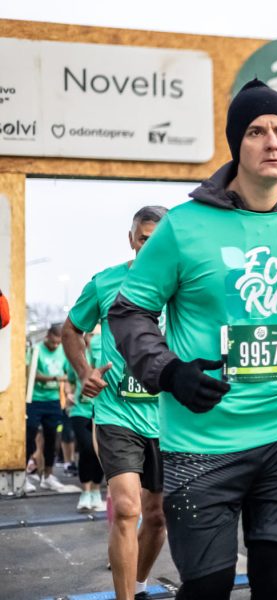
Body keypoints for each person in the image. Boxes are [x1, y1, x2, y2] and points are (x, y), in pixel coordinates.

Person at [108, 79, 277, 600]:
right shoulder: (183, 227)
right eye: (256, 131)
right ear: (235, 145)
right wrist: (170, 372)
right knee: (207, 591)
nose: (272, 141)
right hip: (204, 444)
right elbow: (130, 311)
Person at [63, 205, 169, 600]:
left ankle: (138, 587)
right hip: (116, 412)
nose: (150, 246)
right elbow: (73, 328)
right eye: (144, 239)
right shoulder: (106, 283)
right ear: (131, 239)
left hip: (167, 417)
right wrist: (84, 370)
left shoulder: (185, 286)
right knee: (127, 508)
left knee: (157, 518)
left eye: (159, 240)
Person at [25, 324, 71, 493]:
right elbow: (31, 373)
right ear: (48, 336)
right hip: (34, 399)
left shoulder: (62, 352)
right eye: (53, 342)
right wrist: (54, 378)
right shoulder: (36, 350)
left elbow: (68, 373)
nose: (55, 346)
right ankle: (23, 475)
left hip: (53, 400)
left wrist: (66, 386)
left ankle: (48, 476)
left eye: (58, 343)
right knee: (29, 435)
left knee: (52, 437)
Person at [65, 330, 105, 512]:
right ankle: (85, 492)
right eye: (89, 334)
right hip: (80, 410)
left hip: (100, 409)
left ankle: (96, 491)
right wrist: (68, 393)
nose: (92, 338)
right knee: (87, 447)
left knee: (100, 451)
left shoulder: (104, 354)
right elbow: (69, 380)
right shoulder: (75, 357)